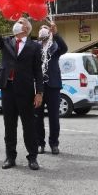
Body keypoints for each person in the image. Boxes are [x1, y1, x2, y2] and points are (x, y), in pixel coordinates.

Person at [0, 1, 43, 171]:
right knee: (9, 126)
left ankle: (33, 158)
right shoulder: (7, 42)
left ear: (27, 29)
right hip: (8, 90)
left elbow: (38, 72)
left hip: (26, 92)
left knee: (29, 126)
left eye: (21, 22)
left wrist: (39, 92)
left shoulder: (34, 47)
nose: (17, 23)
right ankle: (10, 157)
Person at [34, 22, 67, 155]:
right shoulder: (35, 47)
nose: (43, 30)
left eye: (46, 28)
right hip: (38, 88)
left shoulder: (55, 47)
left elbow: (64, 48)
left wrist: (56, 34)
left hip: (53, 86)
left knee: (54, 117)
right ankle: (40, 144)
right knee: (37, 117)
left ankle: (54, 144)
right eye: (41, 29)